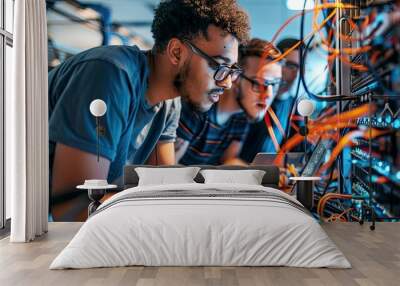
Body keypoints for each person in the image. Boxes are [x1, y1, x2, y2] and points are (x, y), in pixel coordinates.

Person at [48, 0, 250, 220]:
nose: (227, 83)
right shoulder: (110, 74)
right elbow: (73, 210)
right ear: (176, 52)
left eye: (232, 70)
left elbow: (164, 192)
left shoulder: (170, 103)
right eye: (218, 65)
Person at [175, 38, 282, 165]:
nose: (268, 95)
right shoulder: (199, 107)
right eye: (258, 83)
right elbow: (168, 171)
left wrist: (268, 174)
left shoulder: (241, 117)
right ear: (235, 77)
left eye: (274, 84)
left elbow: (229, 161)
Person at [239, 38, 302, 163]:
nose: (295, 74)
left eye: (299, 68)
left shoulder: (293, 106)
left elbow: (296, 151)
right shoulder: (247, 97)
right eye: (290, 65)